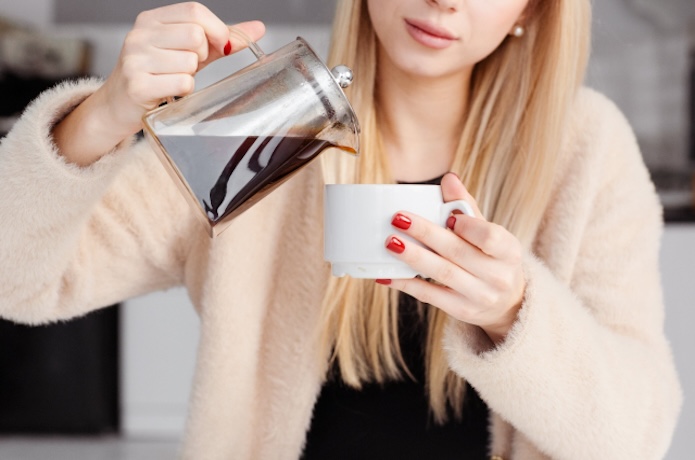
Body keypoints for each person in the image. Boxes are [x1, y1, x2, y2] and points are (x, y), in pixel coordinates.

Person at [0, 0, 683, 458]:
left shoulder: (582, 148)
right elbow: (18, 283)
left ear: (531, 10)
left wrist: (515, 314)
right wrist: (103, 117)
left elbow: (633, 436)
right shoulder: (269, 123)